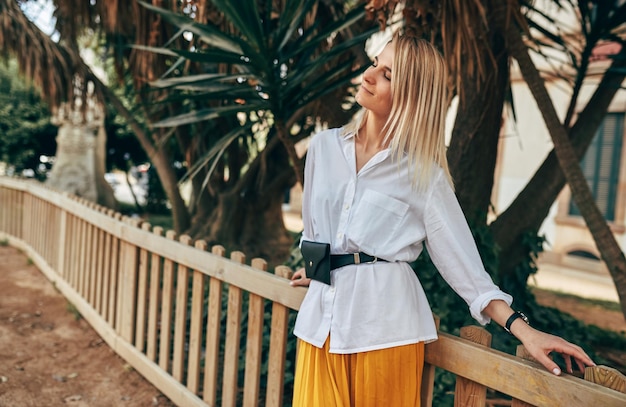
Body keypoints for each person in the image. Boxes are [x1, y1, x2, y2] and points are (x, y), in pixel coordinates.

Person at [289, 32, 596, 406]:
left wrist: (525, 331)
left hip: (384, 333)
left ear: (412, 97)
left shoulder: (423, 176)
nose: (369, 77)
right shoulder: (322, 148)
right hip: (319, 325)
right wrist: (319, 265)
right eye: (374, 64)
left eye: (388, 75)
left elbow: (468, 272)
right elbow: (316, 229)